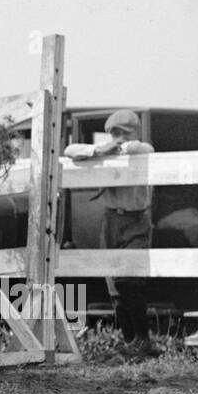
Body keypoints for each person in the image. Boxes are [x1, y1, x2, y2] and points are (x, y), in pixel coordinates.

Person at [65, 110, 160, 356]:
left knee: (129, 281)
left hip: (136, 220)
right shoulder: (105, 152)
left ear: (134, 133)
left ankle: (143, 339)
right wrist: (100, 150)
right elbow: (70, 150)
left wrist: (123, 146)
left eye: (123, 133)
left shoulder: (140, 150)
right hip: (111, 220)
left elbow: (144, 149)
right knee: (114, 287)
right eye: (114, 133)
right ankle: (131, 343)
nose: (117, 138)